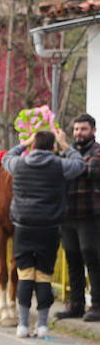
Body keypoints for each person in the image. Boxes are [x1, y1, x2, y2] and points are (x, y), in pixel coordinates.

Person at [1, 129, 87, 338]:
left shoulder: (19, 164)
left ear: (34, 145)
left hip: (23, 228)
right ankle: (42, 326)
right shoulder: (59, 165)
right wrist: (65, 144)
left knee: (25, 276)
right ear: (52, 147)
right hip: (48, 230)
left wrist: (25, 143)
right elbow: (80, 165)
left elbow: (6, 157)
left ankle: (22, 325)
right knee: (44, 277)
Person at [56, 113, 100, 321]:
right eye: (75, 130)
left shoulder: (98, 151)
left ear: (93, 130)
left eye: (83, 129)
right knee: (72, 260)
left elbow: (88, 170)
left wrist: (66, 146)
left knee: (93, 259)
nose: (78, 133)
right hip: (67, 215)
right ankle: (76, 304)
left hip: (90, 215)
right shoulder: (66, 153)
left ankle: (97, 306)